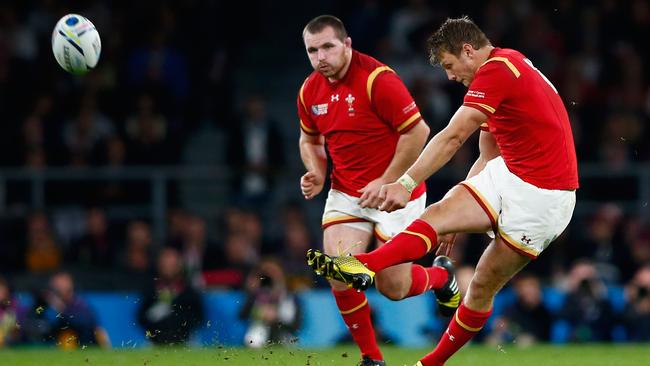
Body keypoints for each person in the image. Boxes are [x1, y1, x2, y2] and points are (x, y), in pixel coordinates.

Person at [309, 16, 578, 366]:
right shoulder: (508, 64)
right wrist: (463, 201)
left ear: (468, 51)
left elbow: (452, 136)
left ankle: (430, 362)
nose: (450, 76)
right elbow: (488, 150)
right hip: (512, 172)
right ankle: (363, 265)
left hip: (545, 196)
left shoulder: (496, 71)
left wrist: (405, 183)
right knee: (437, 214)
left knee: (481, 286)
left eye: (450, 66)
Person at [298, 15, 458, 366]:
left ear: (347, 44)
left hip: (398, 192)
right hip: (347, 194)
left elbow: (418, 132)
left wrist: (389, 179)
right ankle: (372, 359)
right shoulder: (309, 90)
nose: (321, 56)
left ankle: (442, 278)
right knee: (340, 273)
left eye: (328, 46)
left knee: (393, 288)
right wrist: (316, 170)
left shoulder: (377, 79)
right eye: (313, 50)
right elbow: (309, 139)